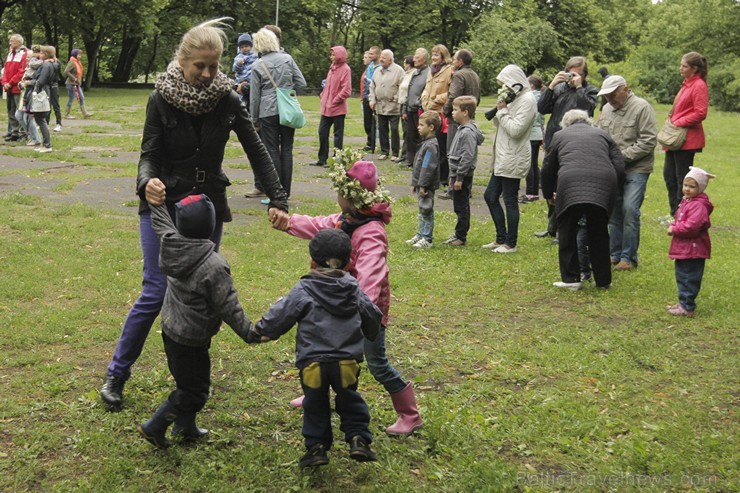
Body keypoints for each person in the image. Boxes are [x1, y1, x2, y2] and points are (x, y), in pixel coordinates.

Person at [99, 18, 290, 410]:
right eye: (199, 65)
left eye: (213, 66)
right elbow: (148, 153)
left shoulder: (227, 99)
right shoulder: (161, 98)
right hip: (164, 205)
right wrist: (146, 182)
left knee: (200, 294)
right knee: (156, 290)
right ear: (182, 61)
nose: (206, 74)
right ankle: (117, 372)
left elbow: (258, 150)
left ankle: (190, 382)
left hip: (205, 209)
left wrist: (279, 199)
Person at [270, 159, 424, 436]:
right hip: (337, 304)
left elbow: (372, 276)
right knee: (325, 350)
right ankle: (315, 394)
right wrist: (288, 222)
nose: (336, 197)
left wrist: (357, 308)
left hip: (365, 311)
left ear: (349, 197)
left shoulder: (372, 232)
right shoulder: (347, 220)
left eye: (339, 191)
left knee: (376, 362)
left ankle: (409, 414)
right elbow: (319, 225)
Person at [249, 229, 381, 467]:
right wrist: (370, 334)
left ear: (312, 261)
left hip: (312, 363)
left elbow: (282, 314)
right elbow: (372, 315)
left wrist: (263, 330)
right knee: (349, 398)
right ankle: (358, 439)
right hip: (346, 363)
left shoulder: (303, 289)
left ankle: (316, 448)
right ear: (349, 262)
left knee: (315, 403)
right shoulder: (353, 289)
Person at [137, 195, 258, 449]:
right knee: (194, 392)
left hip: (171, 330)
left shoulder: (171, 242)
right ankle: (155, 426)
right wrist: (249, 332)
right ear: (211, 225)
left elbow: (161, 223)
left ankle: (185, 427)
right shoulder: (214, 265)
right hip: (191, 340)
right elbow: (229, 305)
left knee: (187, 381)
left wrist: (155, 202)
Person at [541, 110, 625, 290]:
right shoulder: (603, 134)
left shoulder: (559, 135)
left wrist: (549, 194)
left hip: (570, 183)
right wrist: (612, 187)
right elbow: (619, 163)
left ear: (566, 124)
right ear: (588, 121)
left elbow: (548, 167)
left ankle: (571, 280)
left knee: (567, 231)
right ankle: (603, 281)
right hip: (603, 183)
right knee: (599, 232)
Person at [596, 75, 657, 271]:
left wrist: (620, 158)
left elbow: (648, 141)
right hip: (613, 169)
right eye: (606, 96)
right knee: (614, 211)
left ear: (625, 89)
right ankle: (615, 254)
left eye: (613, 94)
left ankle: (628, 257)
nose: (610, 99)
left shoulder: (642, 107)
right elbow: (601, 137)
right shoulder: (605, 109)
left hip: (637, 168)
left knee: (630, 210)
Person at [535, 56, 598, 239]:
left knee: (566, 185)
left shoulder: (590, 90)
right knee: (549, 181)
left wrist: (578, 87)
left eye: (578, 73)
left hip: (576, 142)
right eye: (570, 72)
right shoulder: (560, 88)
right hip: (554, 138)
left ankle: (564, 229)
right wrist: (551, 86)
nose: (573, 77)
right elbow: (542, 108)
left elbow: (587, 108)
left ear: (584, 74)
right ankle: (552, 226)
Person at [482, 65, 537, 253]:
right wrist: (501, 108)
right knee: (490, 195)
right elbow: (501, 123)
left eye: (505, 83)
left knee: (510, 199)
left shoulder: (528, 100)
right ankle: (500, 238)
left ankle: (510, 242)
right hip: (502, 156)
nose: (503, 87)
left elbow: (516, 130)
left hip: (514, 156)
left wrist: (503, 111)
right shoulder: (514, 99)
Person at [250, 28, 306, 200]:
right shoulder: (287, 59)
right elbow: (302, 83)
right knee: (287, 150)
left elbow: (254, 97)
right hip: (287, 108)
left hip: (268, 111)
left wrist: (254, 120)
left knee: (272, 150)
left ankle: (276, 193)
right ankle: (286, 192)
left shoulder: (257, 65)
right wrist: (289, 92)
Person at [662, 52, 709, 218]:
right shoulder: (687, 84)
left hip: (687, 140)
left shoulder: (699, 85)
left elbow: (701, 112)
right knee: (669, 177)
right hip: (675, 140)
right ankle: (674, 213)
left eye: (684, 66)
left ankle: (682, 215)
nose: (680, 68)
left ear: (694, 69)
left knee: (682, 180)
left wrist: (679, 122)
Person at [666, 167, 715, 317]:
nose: (687, 189)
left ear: (701, 188)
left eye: (692, 186)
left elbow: (692, 227)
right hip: (685, 248)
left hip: (693, 250)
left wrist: (674, 228)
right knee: (682, 275)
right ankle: (683, 302)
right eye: (685, 185)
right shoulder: (688, 201)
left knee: (688, 277)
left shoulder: (698, 205)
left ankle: (687, 307)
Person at [444, 95, 484, 246]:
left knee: (461, 206)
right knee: (459, 205)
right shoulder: (462, 129)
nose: (452, 113)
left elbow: (467, 156)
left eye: (455, 110)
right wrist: (452, 175)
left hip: (463, 176)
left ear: (465, 112)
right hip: (457, 174)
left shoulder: (467, 132)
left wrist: (459, 177)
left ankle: (461, 236)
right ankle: (458, 233)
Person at [421, 45, 453, 199]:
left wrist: (436, 100)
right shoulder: (431, 70)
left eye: (437, 55)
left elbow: (451, 92)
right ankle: (433, 175)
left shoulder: (449, 70)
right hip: (429, 111)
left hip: (441, 113)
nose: (434, 57)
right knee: (429, 144)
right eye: (433, 54)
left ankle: (443, 177)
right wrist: (424, 99)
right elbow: (427, 88)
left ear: (443, 56)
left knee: (441, 146)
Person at [312, 46, 351, 167]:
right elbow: (327, 86)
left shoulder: (345, 69)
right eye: (331, 55)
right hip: (326, 108)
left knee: (338, 136)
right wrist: (323, 96)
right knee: (322, 132)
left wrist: (335, 100)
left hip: (338, 108)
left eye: (333, 55)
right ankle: (322, 158)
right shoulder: (332, 68)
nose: (331, 57)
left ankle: (336, 160)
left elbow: (346, 89)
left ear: (340, 55)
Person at [443, 49, 480, 174]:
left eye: (454, 59)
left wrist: (446, 111)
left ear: (460, 61)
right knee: (468, 151)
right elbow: (477, 98)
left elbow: (453, 96)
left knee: (453, 152)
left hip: (457, 118)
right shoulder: (475, 75)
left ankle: (452, 187)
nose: (453, 62)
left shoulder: (459, 75)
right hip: (470, 117)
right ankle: (465, 186)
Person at [407, 111, 441, 248]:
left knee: (426, 210)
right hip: (421, 183)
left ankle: (427, 238)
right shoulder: (426, 143)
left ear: (431, 127)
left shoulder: (431, 145)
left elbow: (427, 167)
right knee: (421, 210)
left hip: (427, 185)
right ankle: (420, 234)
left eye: (421, 125)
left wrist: (422, 185)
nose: (418, 127)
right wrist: (415, 183)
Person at [369, 49, 405, 161]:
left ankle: (395, 153)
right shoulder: (377, 70)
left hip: (393, 105)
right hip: (380, 105)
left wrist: (397, 98)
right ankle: (385, 151)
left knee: (394, 129)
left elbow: (402, 87)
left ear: (390, 59)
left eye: (384, 57)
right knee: (382, 128)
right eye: (381, 57)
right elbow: (372, 86)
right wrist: (372, 100)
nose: (381, 59)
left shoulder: (399, 70)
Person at [401, 48, 429, 167]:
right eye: (414, 57)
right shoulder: (415, 73)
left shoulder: (428, 73)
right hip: (410, 109)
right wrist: (404, 109)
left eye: (417, 57)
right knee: (410, 135)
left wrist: (419, 103)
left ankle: (420, 161)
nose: (414, 59)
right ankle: (410, 160)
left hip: (420, 109)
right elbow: (409, 91)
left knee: (421, 136)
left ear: (424, 59)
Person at [28, 45, 56, 153]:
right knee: (41, 119)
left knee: (40, 119)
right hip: (45, 91)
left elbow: (40, 80)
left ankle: (47, 145)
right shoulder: (50, 64)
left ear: (46, 54)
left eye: (41, 53)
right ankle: (46, 144)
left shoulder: (46, 66)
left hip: (41, 93)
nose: (39, 55)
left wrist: (32, 85)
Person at [522, 75, 545, 203]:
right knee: (534, 164)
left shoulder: (530, 98)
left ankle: (530, 192)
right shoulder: (541, 97)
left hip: (531, 133)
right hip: (538, 133)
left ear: (531, 85)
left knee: (529, 164)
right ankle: (534, 192)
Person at [2, 34, 28, 142]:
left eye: (12, 41)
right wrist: (4, 82)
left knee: (19, 110)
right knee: (11, 110)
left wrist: (11, 82)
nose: (10, 43)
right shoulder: (9, 54)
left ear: (18, 42)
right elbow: (5, 70)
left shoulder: (24, 54)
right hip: (8, 87)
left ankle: (23, 132)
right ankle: (14, 132)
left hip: (17, 87)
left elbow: (21, 72)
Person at [396, 55, 415, 165]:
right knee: (404, 131)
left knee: (408, 132)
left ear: (408, 64)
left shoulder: (413, 74)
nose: (403, 65)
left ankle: (406, 156)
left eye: (405, 63)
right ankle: (403, 155)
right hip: (402, 103)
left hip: (407, 105)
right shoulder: (406, 74)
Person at [361, 47, 381, 152]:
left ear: (378, 55)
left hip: (375, 98)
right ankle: (369, 142)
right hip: (366, 97)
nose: (369, 56)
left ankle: (373, 144)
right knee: (367, 122)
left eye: (372, 54)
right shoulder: (369, 67)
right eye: (369, 54)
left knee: (375, 122)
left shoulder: (380, 67)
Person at [64, 49, 92, 119]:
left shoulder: (78, 62)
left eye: (80, 55)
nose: (80, 56)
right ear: (75, 55)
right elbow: (66, 71)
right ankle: (67, 114)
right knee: (71, 98)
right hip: (71, 84)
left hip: (76, 84)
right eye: (79, 55)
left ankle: (85, 113)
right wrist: (74, 78)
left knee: (82, 97)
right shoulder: (72, 62)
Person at [232, 33, 256, 105]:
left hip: (251, 81)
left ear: (251, 46)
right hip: (241, 80)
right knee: (241, 100)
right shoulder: (238, 57)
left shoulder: (255, 56)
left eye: (246, 46)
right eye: (242, 47)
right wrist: (239, 64)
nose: (244, 48)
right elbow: (235, 69)